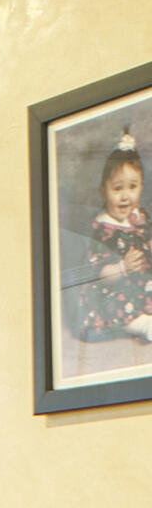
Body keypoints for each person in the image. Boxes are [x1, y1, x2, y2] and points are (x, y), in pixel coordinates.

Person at [71, 129, 152, 346]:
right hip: (114, 286)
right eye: (117, 188)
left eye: (132, 187)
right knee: (119, 303)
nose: (126, 196)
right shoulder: (103, 229)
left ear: (141, 187)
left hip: (142, 280)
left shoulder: (140, 216)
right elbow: (99, 273)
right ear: (103, 191)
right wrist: (123, 268)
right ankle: (142, 324)